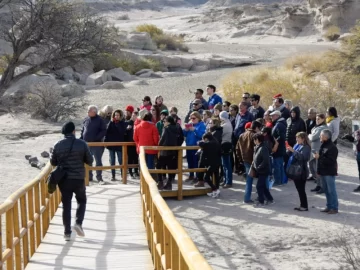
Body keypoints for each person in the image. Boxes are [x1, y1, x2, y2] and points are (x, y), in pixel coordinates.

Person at [50, 121, 93, 240]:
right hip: (78, 177)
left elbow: (53, 162)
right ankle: (78, 223)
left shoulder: (57, 144)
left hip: (64, 179)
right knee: (81, 200)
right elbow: (90, 160)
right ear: (74, 131)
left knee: (66, 205)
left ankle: (67, 233)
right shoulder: (82, 143)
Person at [314, 129, 339, 214]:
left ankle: (334, 208)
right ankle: (329, 206)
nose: (319, 137)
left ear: (325, 137)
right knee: (326, 190)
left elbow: (331, 161)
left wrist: (319, 157)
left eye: (321, 135)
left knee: (331, 190)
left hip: (329, 172)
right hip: (323, 171)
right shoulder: (323, 145)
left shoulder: (332, 147)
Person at [80, 105, 106, 184]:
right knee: (88, 161)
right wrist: (81, 139)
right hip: (86, 144)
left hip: (96, 144)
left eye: (89, 111)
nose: (87, 112)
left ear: (94, 112)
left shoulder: (100, 120)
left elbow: (103, 131)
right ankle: (89, 177)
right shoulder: (86, 119)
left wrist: (96, 138)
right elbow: (83, 130)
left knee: (98, 161)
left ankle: (99, 178)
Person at [286, 132, 311, 211]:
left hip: (301, 171)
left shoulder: (306, 147)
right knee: (299, 189)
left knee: (301, 189)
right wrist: (289, 150)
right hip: (296, 169)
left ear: (303, 139)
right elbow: (292, 155)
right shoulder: (297, 145)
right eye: (296, 137)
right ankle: (302, 205)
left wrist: (293, 151)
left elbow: (303, 157)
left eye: (298, 138)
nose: (296, 139)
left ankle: (304, 206)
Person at [238, 121, 262, 203]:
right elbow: (257, 149)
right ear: (257, 128)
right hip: (253, 159)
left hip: (245, 159)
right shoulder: (254, 136)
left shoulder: (242, 135)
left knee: (249, 179)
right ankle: (255, 197)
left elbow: (237, 148)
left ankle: (247, 197)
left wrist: (240, 159)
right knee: (257, 179)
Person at [157, 116, 179, 191]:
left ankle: (160, 182)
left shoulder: (166, 128)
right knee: (170, 167)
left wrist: (158, 146)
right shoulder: (177, 128)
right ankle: (169, 183)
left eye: (164, 121)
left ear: (168, 122)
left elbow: (162, 138)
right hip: (173, 150)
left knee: (158, 166)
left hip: (165, 150)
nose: (163, 123)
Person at [197, 132, 222, 198]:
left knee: (206, 177)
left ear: (206, 138)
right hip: (217, 162)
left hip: (212, 163)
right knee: (216, 177)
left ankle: (215, 189)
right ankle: (216, 191)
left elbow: (201, 144)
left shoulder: (210, 143)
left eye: (204, 139)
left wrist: (200, 142)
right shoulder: (216, 142)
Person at [104, 109, 127, 181]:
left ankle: (122, 175)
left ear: (120, 116)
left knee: (120, 160)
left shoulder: (122, 123)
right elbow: (107, 131)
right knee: (112, 160)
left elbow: (121, 132)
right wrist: (111, 122)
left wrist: (117, 123)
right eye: (115, 115)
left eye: (118, 115)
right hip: (111, 145)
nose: (116, 116)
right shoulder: (110, 123)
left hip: (119, 145)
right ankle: (113, 176)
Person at [183, 111, 206, 181]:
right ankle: (191, 175)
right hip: (189, 146)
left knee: (196, 162)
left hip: (196, 147)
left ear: (198, 118)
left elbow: (202, 135)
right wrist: (186, 130)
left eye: (194, 118)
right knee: (190, 162)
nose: (192, 119)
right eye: (191, 118)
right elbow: (184, 134)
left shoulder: (202, 125)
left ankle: (197, 177)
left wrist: (194, 130)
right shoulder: (190, 124)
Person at [252, 132, 274, 207]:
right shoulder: (258, 147)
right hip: (260, 170)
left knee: (259, 186)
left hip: (263, 170)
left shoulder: (263, 148)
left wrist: (258, 167)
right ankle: (270, 199)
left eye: (255, 139)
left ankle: (261, 202)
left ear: (258, 140)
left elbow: (265, 161)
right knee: (263, 186)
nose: (254, 141)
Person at [309, 114, 327, 192]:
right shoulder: (316, 127)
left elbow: (313, 137)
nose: (317, 120)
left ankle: (322, 186)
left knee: (318, 169)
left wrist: (309, 135)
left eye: (319, 119)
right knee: (313, 168)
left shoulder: (322, 128)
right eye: (316, 119)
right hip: (313, 150)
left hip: (319, 150)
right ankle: (318, 185)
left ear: (323, 119)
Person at [270, 110, 287, 186]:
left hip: (278, 148)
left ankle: (278, 181)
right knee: (279, 165)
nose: (271, 117)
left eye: (273, 116)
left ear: (277, 116)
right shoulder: (279, 123)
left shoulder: (279, 124)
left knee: (277, 165)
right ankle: (281, 181)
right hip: (280, 147)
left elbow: (282, 137)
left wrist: (275, 142)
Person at [219, 111, 233, 188]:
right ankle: (226, 180)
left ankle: (228, 181)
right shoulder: (227, 123)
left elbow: (220, 134)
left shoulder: (225, 125)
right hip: (226, 145)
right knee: (225, 165)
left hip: (225, 145)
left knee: (226, 165)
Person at [125, 110, 139, 179]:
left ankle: (136, 171)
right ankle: (130, 172)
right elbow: (124, 133)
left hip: (136, 144)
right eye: (133, 115)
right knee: (130, 159)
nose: (133, 117)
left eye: (135, 116)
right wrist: (126, 129)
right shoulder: (128, 123)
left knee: (136, 158)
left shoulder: (138, 123)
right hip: (129, 143)